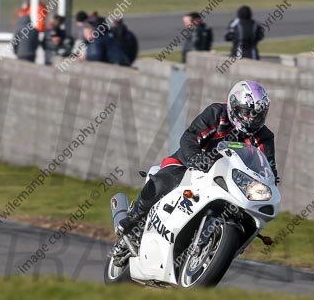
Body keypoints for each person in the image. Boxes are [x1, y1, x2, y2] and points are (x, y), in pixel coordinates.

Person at [117, 80, 278, 237]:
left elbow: (268, 167)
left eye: (257, 115)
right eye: (247, 112)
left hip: (228, 180)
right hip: (190, 164)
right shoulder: (217, 113)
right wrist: (195, 157)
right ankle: (134, 219)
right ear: (234, 106)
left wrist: (271, 181)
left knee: (248, 219)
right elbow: (190, 136)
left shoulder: (264, 136)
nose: (251, 119)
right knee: (163, 182)